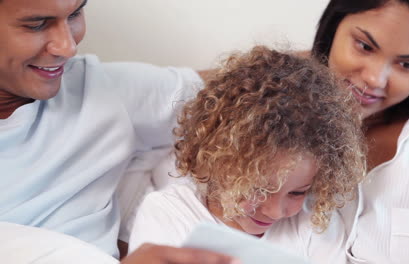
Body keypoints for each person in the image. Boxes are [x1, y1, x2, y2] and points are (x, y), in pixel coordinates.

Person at [0, 0, 238, 263]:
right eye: (36, 24)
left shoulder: (98, 90)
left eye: (75, 13)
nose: (68, 47)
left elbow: (254, 88)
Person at [128, 46, 367, 263]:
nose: (275, 211)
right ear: (216, 160)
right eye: (258, 189)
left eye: (297, 192)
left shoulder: (313, 223)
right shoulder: (169, 214)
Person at [311, 0, 409, 263]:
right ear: (334, 26)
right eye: (364, 46)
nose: (375, 78)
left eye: (407, 65)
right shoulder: (265, 114)